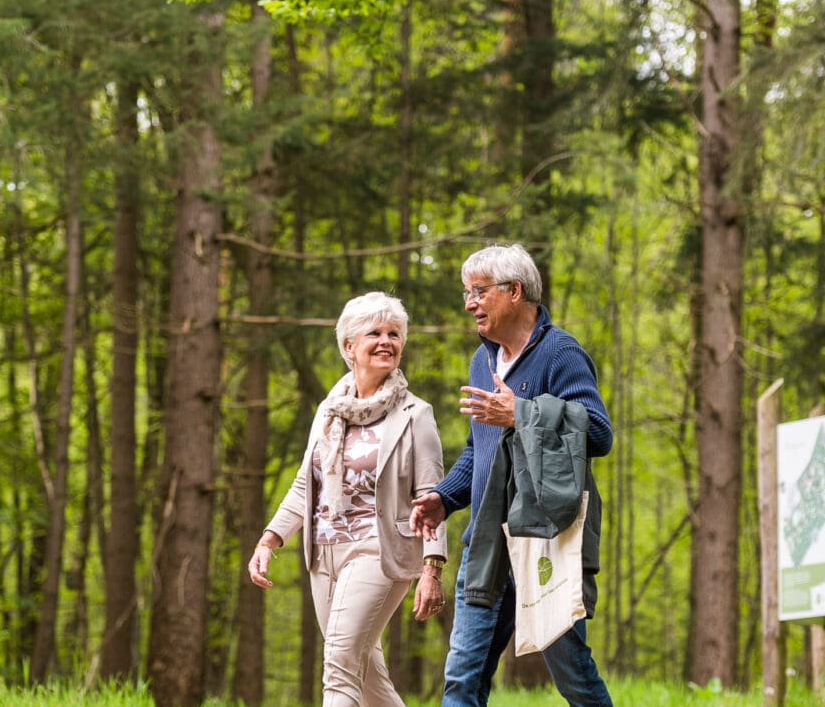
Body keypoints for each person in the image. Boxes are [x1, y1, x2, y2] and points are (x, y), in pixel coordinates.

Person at [409, 244, 615, 707]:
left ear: (514, 291)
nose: (469, 303)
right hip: (486, 543)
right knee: (462, 680)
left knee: (574, 677)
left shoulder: (561, 352)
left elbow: (599, 433)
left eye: (478, 291)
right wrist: (445, 498)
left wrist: (521, 413)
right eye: (466, 293)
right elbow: (478, 450)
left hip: (545, 544)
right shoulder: (481, 362)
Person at [248, 291, 448, 707]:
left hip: (379, 549)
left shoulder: (416, 414)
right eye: (374, 332)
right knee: (366, 671)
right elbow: (308, 484)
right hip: (324, 552)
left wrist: (433, 567)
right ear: (349, 346)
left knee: (339, 660)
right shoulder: (330, 411)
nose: (386, 341)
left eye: (394, 333)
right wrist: (270, 539)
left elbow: (431, 495)